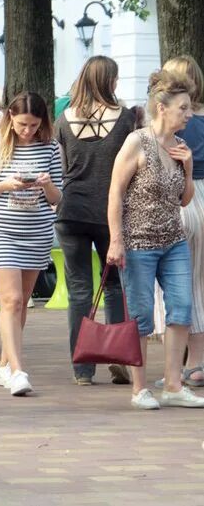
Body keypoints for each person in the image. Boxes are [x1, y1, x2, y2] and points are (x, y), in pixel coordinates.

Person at [107, 70, 204, 409]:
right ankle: (138, 388)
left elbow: (184, 199)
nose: (189, 114)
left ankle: (174, 385)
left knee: (182, 308)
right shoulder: (137, 142)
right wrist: (116, 240)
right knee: (142, 314)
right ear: (162, 108)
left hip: (174, 238)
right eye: (183, 108)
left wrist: (189, 168)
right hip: (138, 243)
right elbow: (116, 193)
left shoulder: (180, 146)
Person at [0, 91, 63, 396]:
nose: (27, 131)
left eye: (34, 125)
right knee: (10, 300)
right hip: (1, 229)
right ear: (10, 117)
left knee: (21, 301)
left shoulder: (50, 146)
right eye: (23, 124)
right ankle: (18, 370)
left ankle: (5, 364)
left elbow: (58, 199)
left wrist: (47, 184)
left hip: (35, 230)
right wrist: (6, 185)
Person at [54, 56, 135, 386]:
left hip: (71, 211)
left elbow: (62, 169)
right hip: (109, 213)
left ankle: (82, 368)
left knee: (78, 292)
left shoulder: (64, 118)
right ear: (109, 81)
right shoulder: (126, 118)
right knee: (114, 287)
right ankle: (116, 356)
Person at [161, 56, 204, 388]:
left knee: (179, 283)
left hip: (183, 198)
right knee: (199, 282)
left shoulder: (172, 122)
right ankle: (194, 363)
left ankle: (188, 365)